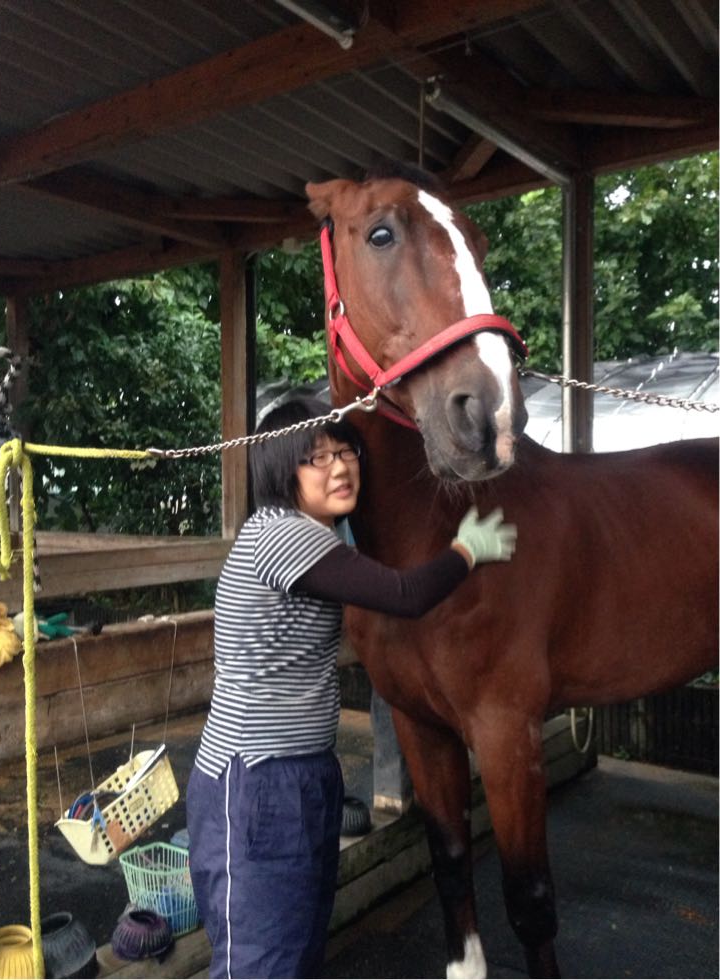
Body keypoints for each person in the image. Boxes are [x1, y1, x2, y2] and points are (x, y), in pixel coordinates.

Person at [186, 397, 517, 979]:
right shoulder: (284, 537)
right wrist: (465, 551)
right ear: (282, 470)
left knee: (298, 952)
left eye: (346, 452)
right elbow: (405, 595)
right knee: (262, 963)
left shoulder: (313, 538)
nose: (340, 467)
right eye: (317, 458)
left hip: (300, 775)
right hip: (257, 783)